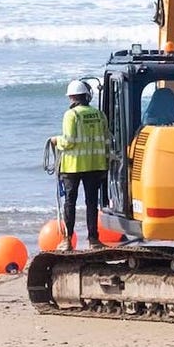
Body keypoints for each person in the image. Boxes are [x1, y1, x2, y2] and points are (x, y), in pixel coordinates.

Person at [50, 80, 110, 251]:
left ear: (71, 97)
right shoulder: (99, 114)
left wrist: (56, 141)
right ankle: (94, 240)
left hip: (73, 167)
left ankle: (67, 240)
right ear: (87, 96)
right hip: (95, 166)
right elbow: (107, 140)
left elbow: (69, 142)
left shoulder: (72, 115)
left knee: (70, 202)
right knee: (92, 203)